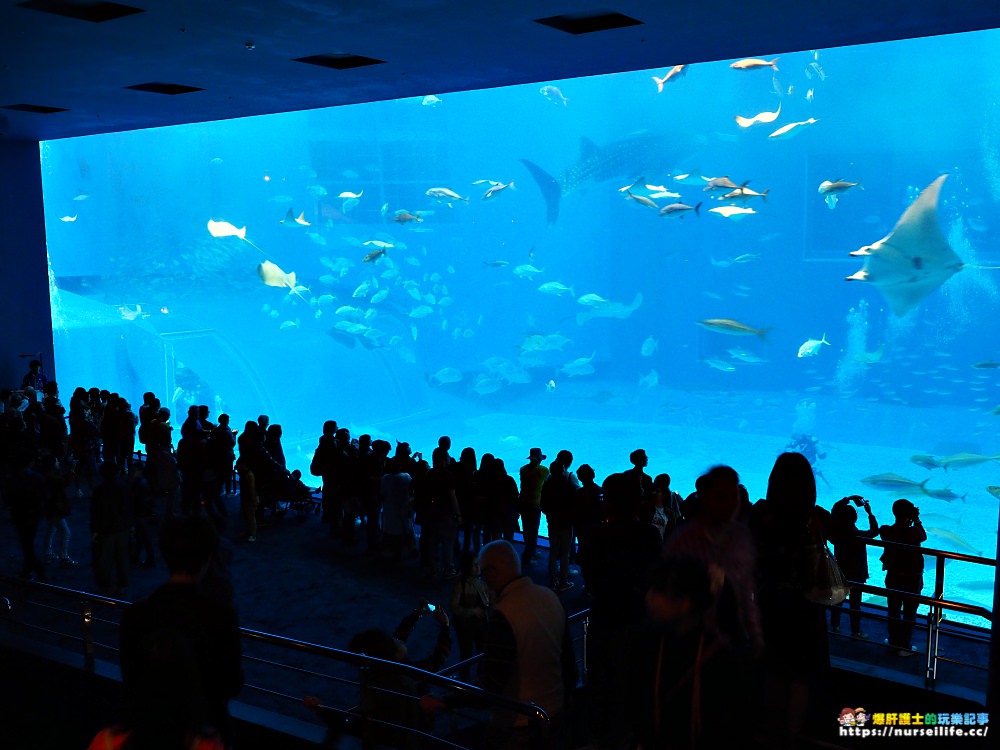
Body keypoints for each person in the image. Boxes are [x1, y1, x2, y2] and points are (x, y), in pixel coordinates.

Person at [423, 540, 576, 749]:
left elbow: (492, 685)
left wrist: (446, 700)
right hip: (553, 714)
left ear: (493, 572)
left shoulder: (504, 614)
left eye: (484, 573)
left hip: (518, 723)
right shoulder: (550, 597)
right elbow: (569, 664)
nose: (483, 581)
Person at [118, 515, 243, 745]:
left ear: (166, 555)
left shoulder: (136, 614)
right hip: (207, 729)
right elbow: (231, 683)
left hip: (150, 731)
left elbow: (131, 677)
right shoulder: (221, 616)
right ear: (208, 558)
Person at [620, 556, 753, 750]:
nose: (648, 598)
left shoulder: (719, 659)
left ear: (685, 603)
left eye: (659, 592)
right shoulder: (722, 655)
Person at [749, 452, 829, 750]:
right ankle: (790, 738)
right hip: (806, 608)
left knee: (774, 673)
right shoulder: (813, 518)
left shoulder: (761, 515)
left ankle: (771, 735)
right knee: (799, 678)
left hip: (770, 605)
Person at [308, 602, 451, 750]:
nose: (396, 641)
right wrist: (445, 627)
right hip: (408, 734)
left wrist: (416, 615)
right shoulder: (407, 673)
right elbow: (439, 658)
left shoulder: (377, 671)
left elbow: (400, 635)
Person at [879, 498, 927, 656]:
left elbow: (894, 531)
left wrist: (909, 518)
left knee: (893, 609)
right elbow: (922, 536)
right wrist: (916, 520)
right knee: (910, 611)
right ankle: (905, 645)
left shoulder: (886, 530)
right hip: (913, 578)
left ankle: (894, 641)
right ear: (910, 515)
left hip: (893, 576)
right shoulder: (913, 532)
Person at [827, 495, 879, 638]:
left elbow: (834, 510)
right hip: (856, 573)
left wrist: (848, 498)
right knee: (855, 604)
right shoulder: (857, 535)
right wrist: (870, 513)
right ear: (855, 518)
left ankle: (834, 627)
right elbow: (875, 531)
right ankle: (855, 631)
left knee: (837, 601)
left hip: (840, 571)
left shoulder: (835, 532)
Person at [450, 551, 491, 681]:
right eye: (474, 565)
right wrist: (473, 611)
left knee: (481, 652)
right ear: (468, 568)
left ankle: (477, 680)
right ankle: (465, 682)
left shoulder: (480, 582)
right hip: (466, 626)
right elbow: (454, 607)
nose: (478, 567)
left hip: (479, 624)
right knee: (467, 654)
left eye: (478, 564)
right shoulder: (460, 584)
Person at [517, 448, 548, 568]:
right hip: (535, 504)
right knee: (534, 530)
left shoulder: (523, 469)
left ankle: (531, 551)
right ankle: (528, 556)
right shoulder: (543, 470)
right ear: (540, 459)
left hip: (523, 502)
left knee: (526, 529)